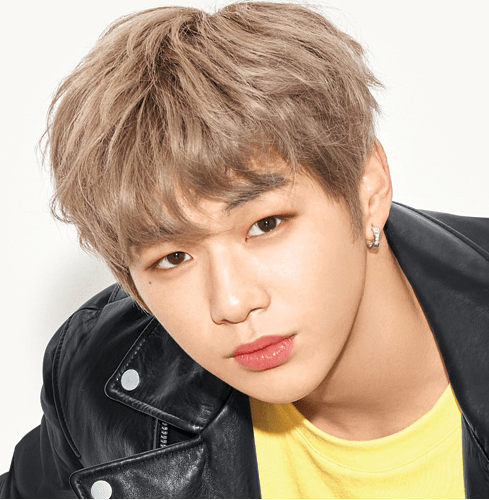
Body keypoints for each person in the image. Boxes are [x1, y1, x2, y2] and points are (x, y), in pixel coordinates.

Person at [1, 1, 488, 498]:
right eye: (173, 258)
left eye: (265, 225)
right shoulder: (99, 386)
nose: (232, 302)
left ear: (368, 187)